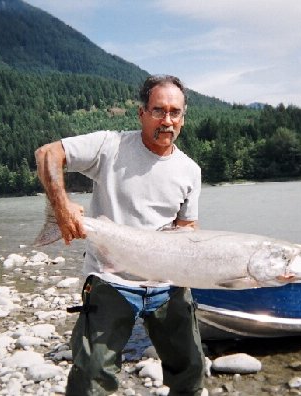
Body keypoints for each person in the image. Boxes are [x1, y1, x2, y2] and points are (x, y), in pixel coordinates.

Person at [35, 75, 205, 396]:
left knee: (190, 372)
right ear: (141, 113)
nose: (167, 121)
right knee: (92, 377)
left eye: (175, 112)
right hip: (110, 281)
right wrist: (61, 206)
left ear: (183, 117)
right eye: (158, 111)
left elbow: (186, 229)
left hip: (167, 285)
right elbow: (48, 154)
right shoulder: (109, 146)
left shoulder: (190, 170)